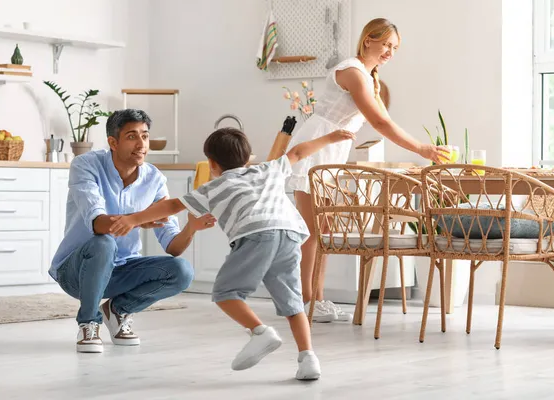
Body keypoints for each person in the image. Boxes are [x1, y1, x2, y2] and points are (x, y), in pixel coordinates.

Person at [108, 127, 357, 380]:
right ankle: (308, 359)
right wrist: (331, 138)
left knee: (226, 294)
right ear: (248, 158)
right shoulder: (268, 168)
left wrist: (133, 218)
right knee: (293, 302)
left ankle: (260, 332)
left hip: (257, 234)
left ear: (212, 163)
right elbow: (298, 151)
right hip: (290, 233)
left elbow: (172, 205)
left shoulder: (214, 187)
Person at [286, 18, 449, 323]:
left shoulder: (370, 77)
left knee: (325, 231)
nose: (389, 51)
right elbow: (380, 123)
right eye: (385, 44)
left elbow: (385, 119)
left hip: (333, 148)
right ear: (367, 41)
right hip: (316, 145)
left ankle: (317, 299)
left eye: (394, 47)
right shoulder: (352, 71)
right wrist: (423, 149)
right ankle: (306, 301)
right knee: (313, 232)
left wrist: (419, 148)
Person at [50, 109, 195, 353]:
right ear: (113, 142)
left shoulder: (155, 179)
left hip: (122, 272)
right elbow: (97, 223)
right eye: (132, 136)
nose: (141, 144)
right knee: (104, 242)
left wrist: (192, 226)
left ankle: (118, 310)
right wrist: (137, 221)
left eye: (145, 136)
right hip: (77, 270)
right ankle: (88, 323)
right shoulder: (86, 165)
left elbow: (173, 246)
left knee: (182, 270)